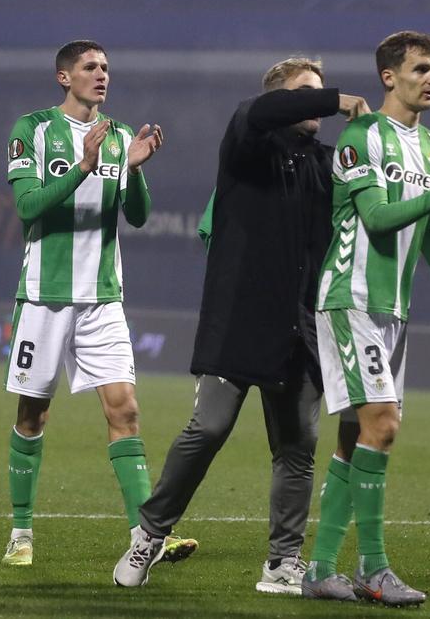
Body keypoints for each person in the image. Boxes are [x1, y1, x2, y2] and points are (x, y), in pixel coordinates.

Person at [112, 57, 370, 591]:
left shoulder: (326, 164)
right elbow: (257, 112)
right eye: (305, 92)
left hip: (300, 326)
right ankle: (150, 533)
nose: (317, 102)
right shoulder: (247, 146)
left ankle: (282, 562)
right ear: (280, 98)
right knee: (208, 428)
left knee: (298, 447)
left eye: (319, 92)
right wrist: (335, 99)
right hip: (240, 320)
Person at [300, 31, 430, 606]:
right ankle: (374, 569)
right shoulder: (360, 137)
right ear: (389, 76)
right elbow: (378, 218)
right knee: (383, 426)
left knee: (356, 435)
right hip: (351, 297)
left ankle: (320, 570)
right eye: (421, 68)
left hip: (394, 310)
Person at [0, 40, 196, 567]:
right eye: (90, 67)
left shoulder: (121, 136)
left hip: (103, 299)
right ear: (64, 77)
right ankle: (21, 533)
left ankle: (147, 536)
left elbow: (138, 216)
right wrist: (83, 166)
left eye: (106, 67)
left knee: (125, 409)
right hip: (43, 297)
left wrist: (133, 169)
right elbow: (27, 207)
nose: (102, 74)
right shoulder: (33, 129)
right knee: (33, 414)